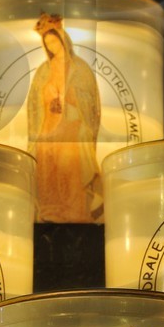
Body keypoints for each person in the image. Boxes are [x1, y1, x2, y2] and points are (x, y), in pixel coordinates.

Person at [26, 12, 102, 223]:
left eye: (53, 40)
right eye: (47, 42)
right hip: (48, 127)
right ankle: (49, 212)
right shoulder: (43, 70)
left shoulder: (79, 68)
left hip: (72, 126)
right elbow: (34, 103)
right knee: (48, 170)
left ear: (62, 39)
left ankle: (75, 213)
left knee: (69, 170)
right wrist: (48, 99)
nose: (51, 46)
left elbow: (90, 100)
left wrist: (70, 98)